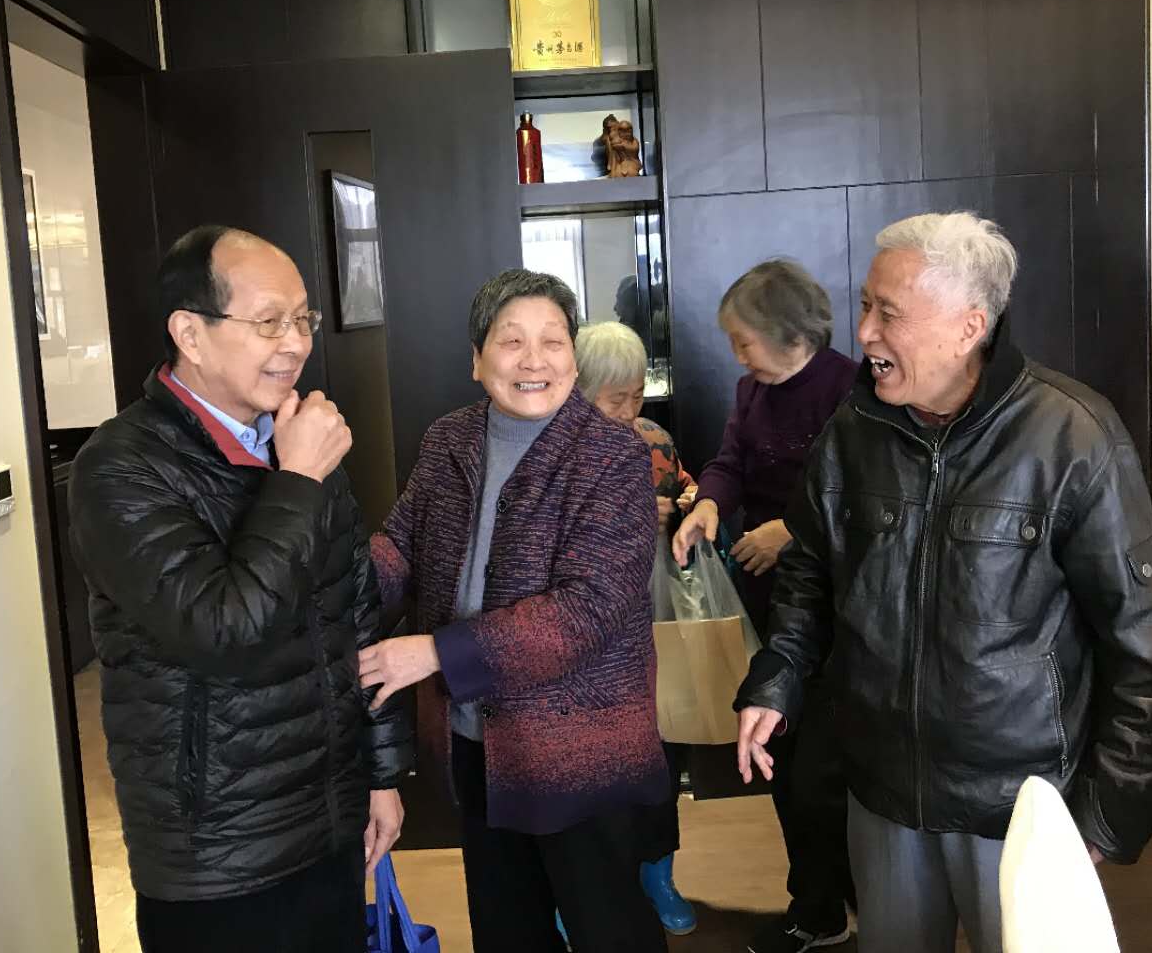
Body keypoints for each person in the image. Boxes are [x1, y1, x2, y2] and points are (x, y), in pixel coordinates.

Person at [736, 212, 1152, 953]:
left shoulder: (1071, 435)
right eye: (865, 305)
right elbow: (810, 573)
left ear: (969, 325)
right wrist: (777, 678)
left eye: (888, 312)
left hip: (1021, 803)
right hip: (881, 790)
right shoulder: (853, 429)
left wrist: (1112, 809)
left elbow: (1142, 642)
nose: (864, 332)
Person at [69, 225, 411, 953]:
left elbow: (356, 617)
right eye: (268, 322)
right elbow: (224, 631)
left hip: (329, 819)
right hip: (217, 847)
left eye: (303, 319)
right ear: (190, 334)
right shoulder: (122, 467)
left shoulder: (297, 438)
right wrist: (298, 479)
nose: (295, 344)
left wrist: (381, 776)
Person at [360, 269, 669, 953]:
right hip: (477, 742)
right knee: (507, 930)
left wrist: (435, 652)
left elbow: (587, 611)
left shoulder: (615, 456)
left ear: (573, 359)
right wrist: (325, 597)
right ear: (477, 360)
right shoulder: (450, 440)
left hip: (583, 750)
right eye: (511, 342)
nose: (534, 361)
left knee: (609, 930)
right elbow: (400, 547)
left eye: (553, 342)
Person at [672, 259, 859, 953]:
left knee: (821, 774)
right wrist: (709, 505)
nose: (737, 355)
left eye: (744, 340)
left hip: (836, 609)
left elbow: (868, 499)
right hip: (768, 602)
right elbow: (729, 463)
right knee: (784, 763)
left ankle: (837, 904)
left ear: (790, 333)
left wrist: (792, 532)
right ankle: (818, 907)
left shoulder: (850, 388)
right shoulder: (752, 390)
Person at [576, 321, 698, 936]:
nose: (630, 411)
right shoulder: (554, 450)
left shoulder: (655, 441)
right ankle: (579, 891)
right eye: (615, 399)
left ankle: (659, 872)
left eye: (636, 396)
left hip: (652, 621)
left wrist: (687, 508)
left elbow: (691, 492)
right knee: (589, 765)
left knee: (658, 753)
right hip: (581, 634)